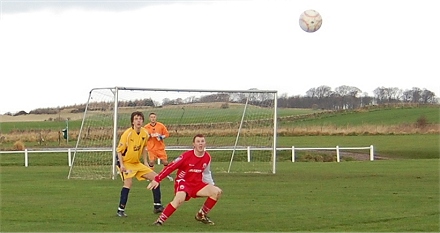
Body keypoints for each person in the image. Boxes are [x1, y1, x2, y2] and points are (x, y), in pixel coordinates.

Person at [147, 134, 223, 226]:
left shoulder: (207, 157)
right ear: (194, 144)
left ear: (205, 143)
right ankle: (160, 221)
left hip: (197, 184)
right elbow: (171, 167)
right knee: (179, 199)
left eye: (202, 141)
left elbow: (206, 173)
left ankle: (201, 215)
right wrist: (157, 179)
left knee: (217, 192)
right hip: (183, 182)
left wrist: (211, 185)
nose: (200, 144)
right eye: (198, 142)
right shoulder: (186, 156)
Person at [115, 111, 164, 217]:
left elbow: (144, 148)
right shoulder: (127, 134)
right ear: (132, 121)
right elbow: (119, 150)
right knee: (128, 183)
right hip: (125, 162)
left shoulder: (145, 133)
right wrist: (122, 165)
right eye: (136, 119)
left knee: (156, 178)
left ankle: (157, 205)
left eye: (140, 119)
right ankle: (120, 210)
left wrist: (145, 162)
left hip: (136, 163)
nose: (138, 121)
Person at [144, 112, 173, 182]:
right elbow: (144, 136)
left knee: (165, 162)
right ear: (149, 118)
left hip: (160, 148)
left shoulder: (161, 126)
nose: (153, 118)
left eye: (154, 117)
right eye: (151, 117)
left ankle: (167, 173)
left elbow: (167, 134)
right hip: (151, 148)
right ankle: (151, 175)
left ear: (156, 118)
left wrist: (161, 136)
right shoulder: (146, 127)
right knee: (151, 162)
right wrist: (150, 136)